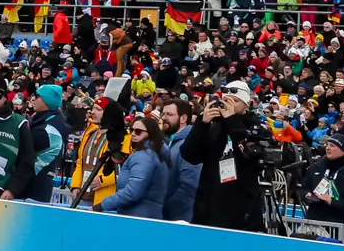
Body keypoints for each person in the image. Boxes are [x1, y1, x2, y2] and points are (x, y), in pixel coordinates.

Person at [181, 79, 274, 232]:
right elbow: (190, 156)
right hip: (209, 204)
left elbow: (252, 155)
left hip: (242, 208)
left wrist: (232, 121)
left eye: (235, 101)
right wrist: (202, 124)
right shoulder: (214, 126)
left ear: (246, 104)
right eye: (226, 101)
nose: (228, 105)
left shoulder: (257, 128)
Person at [97, 113, 171, 218]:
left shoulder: (145, 156)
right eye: (132, 130)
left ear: (150, 133)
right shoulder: (154, 153)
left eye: (138, 131)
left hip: (138, 216)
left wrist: (102, 205)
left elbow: (132, 192)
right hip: (146, 214)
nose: (133, 134)